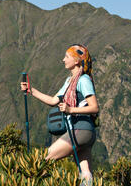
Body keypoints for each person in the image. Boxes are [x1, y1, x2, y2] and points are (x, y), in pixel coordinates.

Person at [20, 44, 99, 177]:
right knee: (85, 173)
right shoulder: (70, 81)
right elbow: (53, 101)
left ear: (76, 61)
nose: (63, 60)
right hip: (84, 131)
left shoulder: (83, 80)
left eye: (66, 56)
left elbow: (94, 107)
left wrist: (70, 109)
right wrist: (30, 90)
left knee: (41, 161)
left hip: (79, 130)